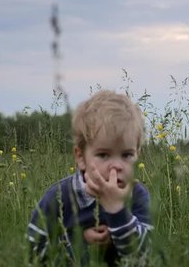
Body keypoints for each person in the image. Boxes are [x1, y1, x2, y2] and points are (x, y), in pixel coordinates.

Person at [27, 90, 152, 265]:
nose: (117, 166)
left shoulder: (138, 196)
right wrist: (78, 242)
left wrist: (118, 211)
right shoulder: (59, 197)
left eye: (126, 155)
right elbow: (34, 250)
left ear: (137, 154)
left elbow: (145, 256)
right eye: (103, 155)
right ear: (81, 157)